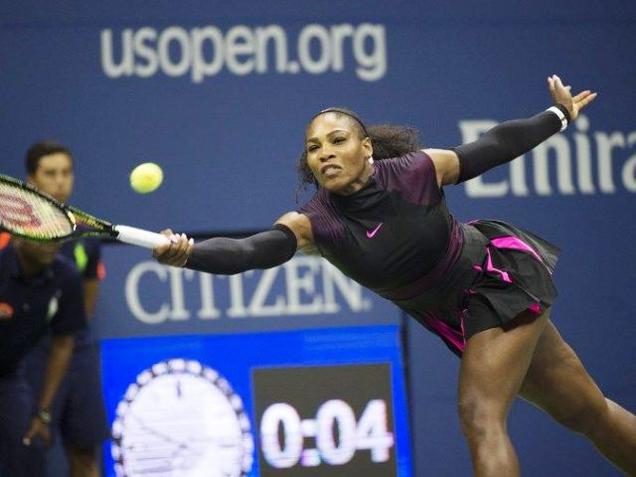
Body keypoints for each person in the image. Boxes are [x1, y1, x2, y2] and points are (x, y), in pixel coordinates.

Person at [152, 74, 636, 476]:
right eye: (314, 148)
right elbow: (249, 251)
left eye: (337, 141)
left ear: (366, 147)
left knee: (479, 413)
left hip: (496, 279)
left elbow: (492, 146)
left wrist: (558, 115)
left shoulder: (416, 170)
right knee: (586, 410)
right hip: (457, 318)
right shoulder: (314, 224)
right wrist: (188, 253)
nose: (325, 154)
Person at [21, 141, 109, 477]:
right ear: (31, 181)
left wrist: (69, 338)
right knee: (25, 454)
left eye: (66, 173)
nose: (60, 181)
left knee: (85, 455)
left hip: (77, 352)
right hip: (28, 356)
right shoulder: (9, 235)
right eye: (50, 173)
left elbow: (87, 297)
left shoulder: (86, 234)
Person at [0, 238, 86, 477]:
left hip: (7, 376)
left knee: (29, 444)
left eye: (55, 238)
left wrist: (43, 412)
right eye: (42, 238)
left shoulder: (66, 277)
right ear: (18, 238)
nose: (51, 244)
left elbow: (62, 343)